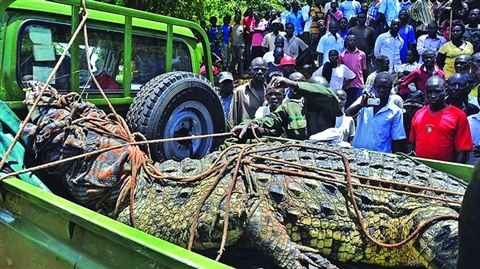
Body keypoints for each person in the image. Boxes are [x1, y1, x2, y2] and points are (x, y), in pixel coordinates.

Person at [231, 76, 341, 140]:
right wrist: (248, 123)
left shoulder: (329, 106)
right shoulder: (291, 106)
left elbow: (329, 95)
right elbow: (270, 119)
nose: (317, 98)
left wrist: (293, 84)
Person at [409, 76, 472, 163]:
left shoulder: (458, 115)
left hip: (444, 171)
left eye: (437, 91)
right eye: (429, 92)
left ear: (445, 91)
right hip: (420, 169)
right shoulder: (419, 113)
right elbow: (412, 143)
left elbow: (462, 150)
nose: (433, 96)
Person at [345, 72, 406, 153]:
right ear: (374, 86)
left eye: (385, 87)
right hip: (358, 152)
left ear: (391, 88)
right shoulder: (364, 101)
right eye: (379, 87)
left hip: (380, 156)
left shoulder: (396, 112)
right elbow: (347, 113)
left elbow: (397, 139)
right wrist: (361, 105)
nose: (382, 90)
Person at [229, 57, 268, 126]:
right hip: (244, 134)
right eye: (256, 69)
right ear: (250, 70)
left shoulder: (272, 93)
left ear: (267, 71)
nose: (260, 72)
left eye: (263, 70)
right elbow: (232, 118)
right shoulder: (240, 92)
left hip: (266, 135)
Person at [339, 34, 367, 108]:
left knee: (358, 106)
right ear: (347, 42)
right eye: (350, 40)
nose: (352, 42)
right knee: (348, 106)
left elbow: (363, 70)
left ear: (356, 42)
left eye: (354, 40)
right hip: (347, 86)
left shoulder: (362, 54)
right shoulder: (342, 56)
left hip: (359, 85)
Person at [348, 12, 376, 77]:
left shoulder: (370, 30)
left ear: (366, 19)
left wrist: (371, 54)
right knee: (354, 75)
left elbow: (374, 44)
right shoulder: (352, 30)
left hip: (367, 57)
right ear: (357, 19)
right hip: (354, 56)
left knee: (368, 75)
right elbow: (347, 43)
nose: (362, 19)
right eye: (360, 18)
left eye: (363, 18)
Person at [231, 14, 245, 78]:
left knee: (241, 59)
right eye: (235, 18)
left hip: (240, 45)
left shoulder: (242, 27)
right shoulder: (232, 27)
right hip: (234, 45)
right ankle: (233, 73)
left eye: (237, 18)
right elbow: (230, 35)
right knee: (234, 59)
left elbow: (244, 36)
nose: (236, 19)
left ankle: (241, 73)